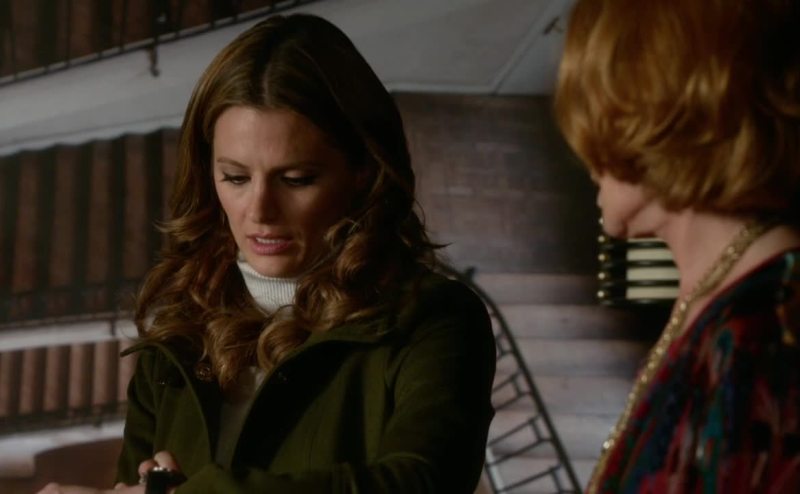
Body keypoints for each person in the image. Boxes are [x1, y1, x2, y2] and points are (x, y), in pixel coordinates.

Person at [38, 13, 495, 494]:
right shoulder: (177, 330)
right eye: (235, 177)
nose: (258, 211)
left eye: (296, 179)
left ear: (364, 171)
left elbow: (422, 483)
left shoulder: (436, 319)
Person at [555, 0, 800, 492]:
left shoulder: (767, 329)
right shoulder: (724, 293)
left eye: (599, 106)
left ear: (667, 109)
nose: (586, 157)